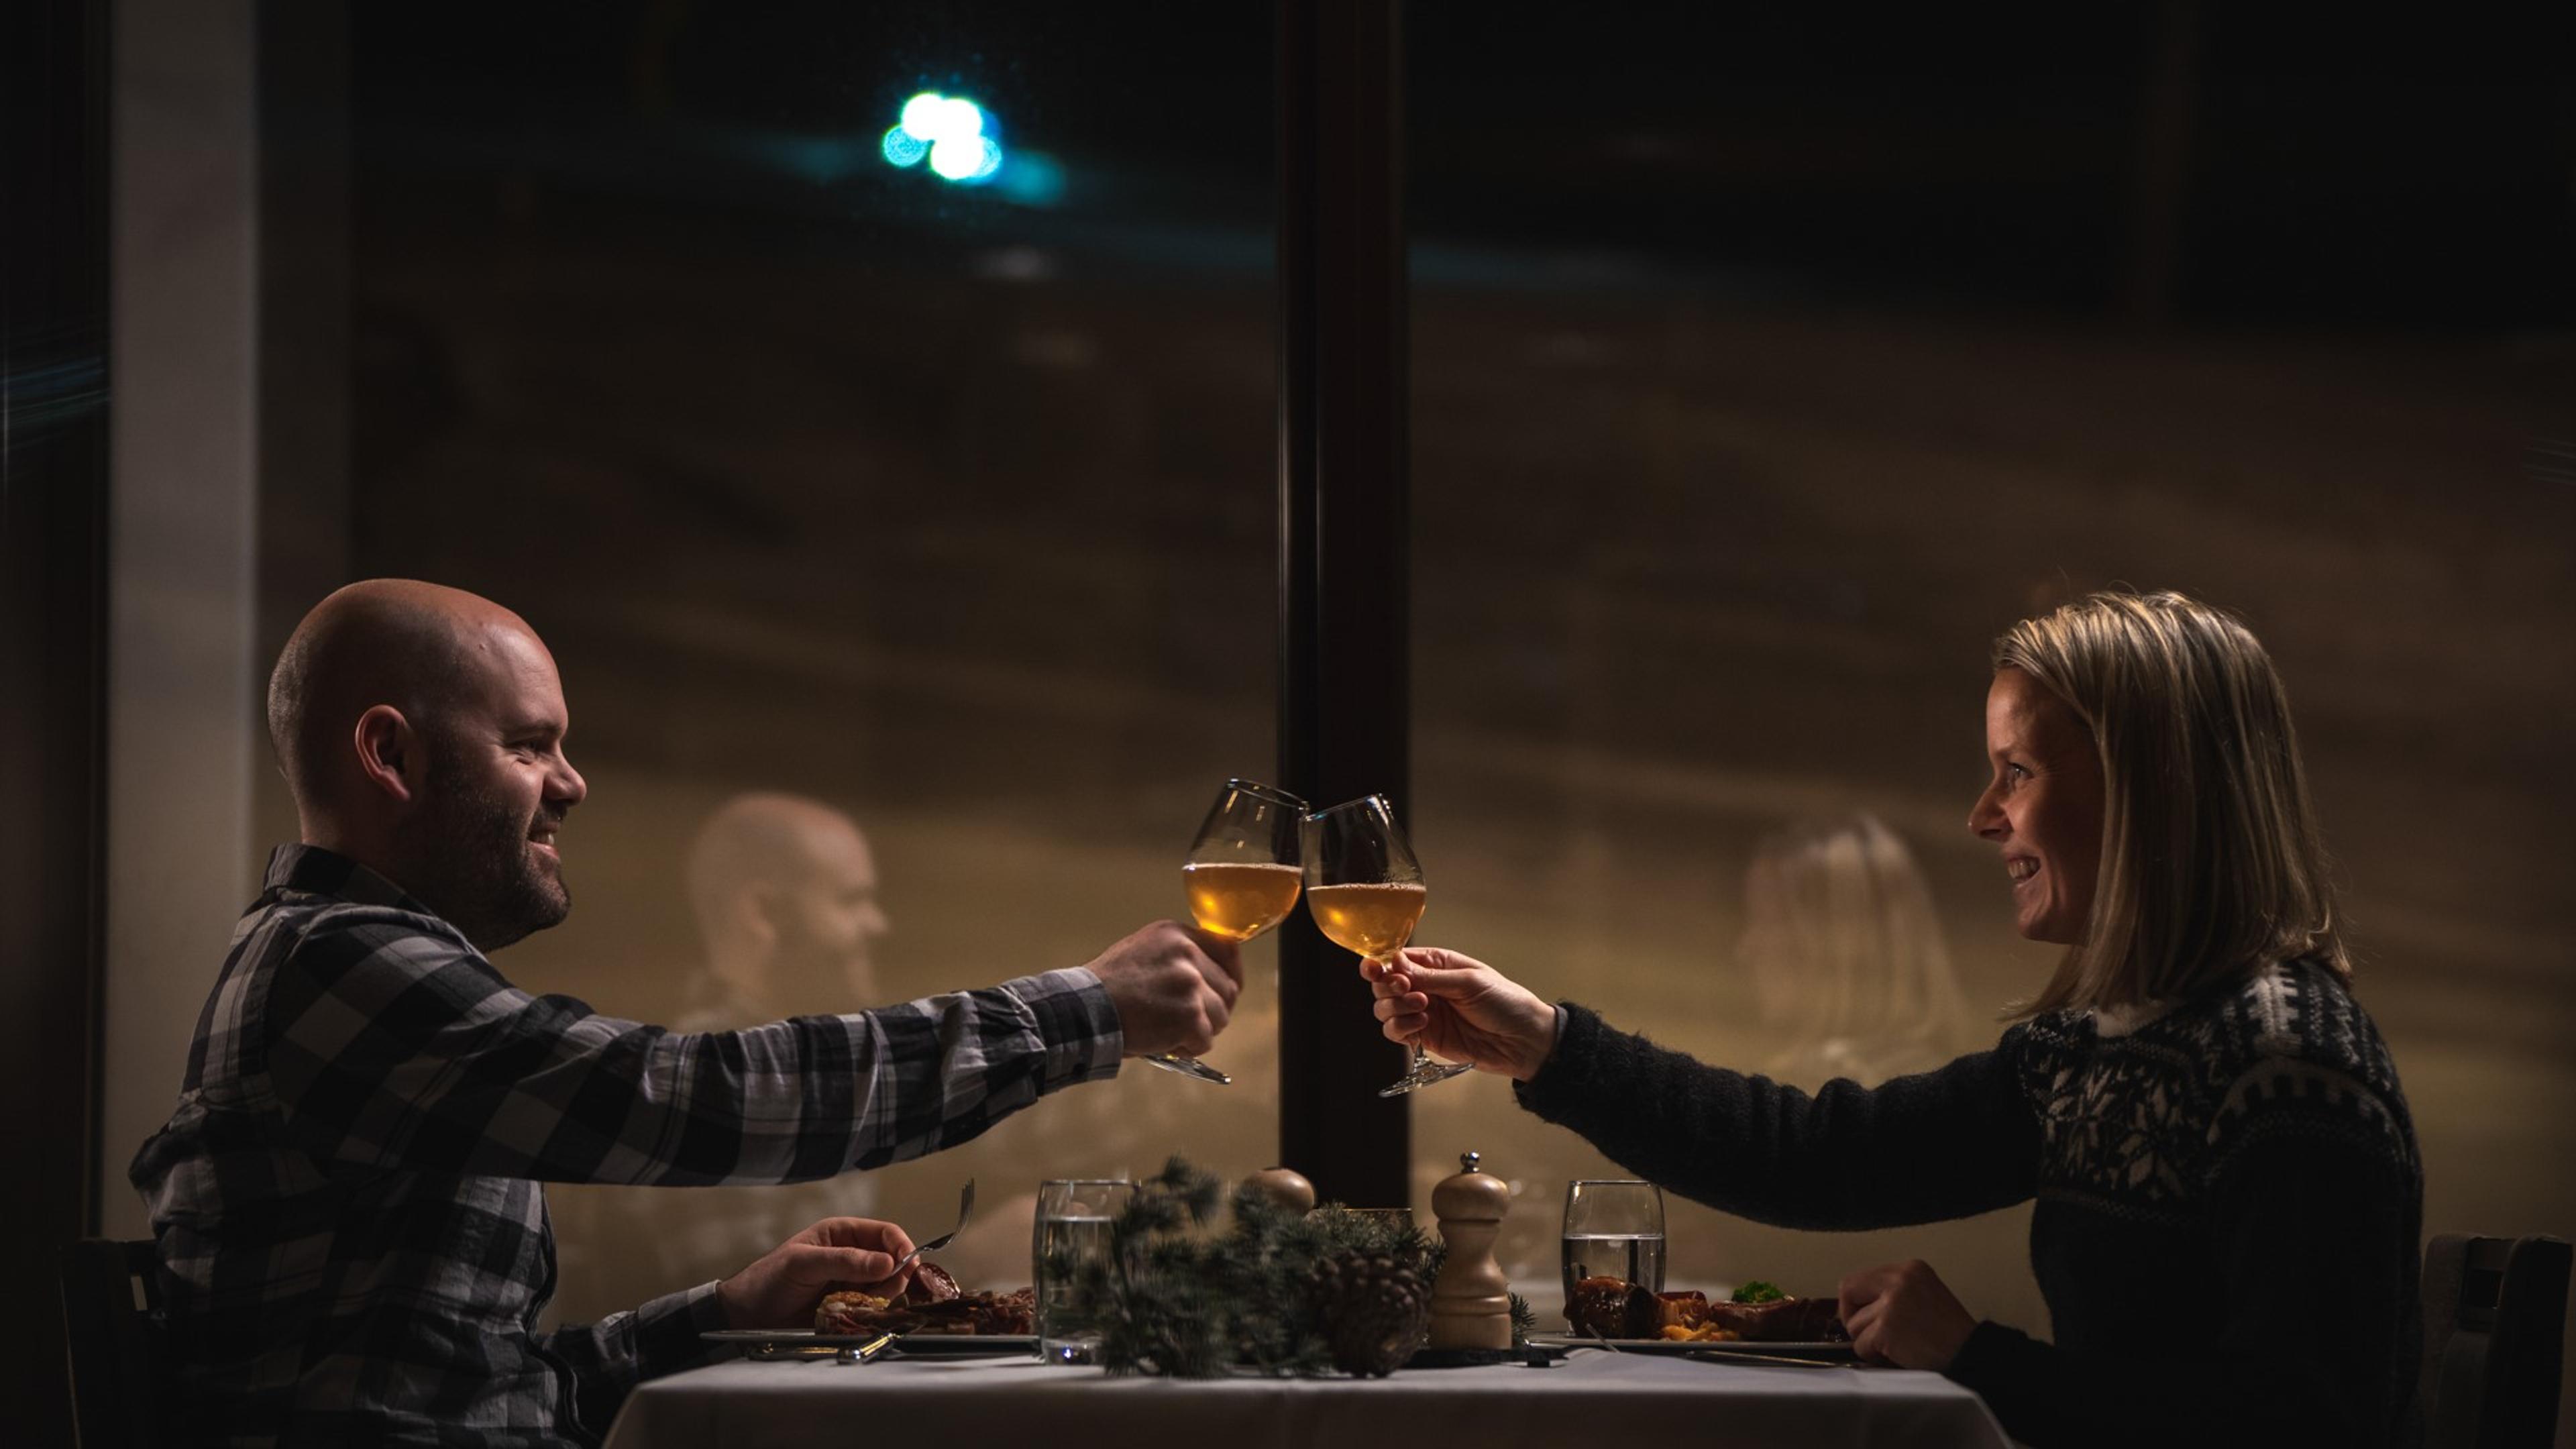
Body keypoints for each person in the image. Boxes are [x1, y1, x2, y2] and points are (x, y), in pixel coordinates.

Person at [129, 580, 1244, 1447]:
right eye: (528, 746)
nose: (572, 785)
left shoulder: (373, 974)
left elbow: (502, 1390)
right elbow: (691, 1102)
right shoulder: (342, 966)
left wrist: (728, 1308)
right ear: (390, 756)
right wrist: (1077, 1013)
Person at [1369, 590, 2422, 1448]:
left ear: (2151, 790)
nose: (1982, 815)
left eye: (2017, 770)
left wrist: (1977, 1357)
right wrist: (1547, 1044)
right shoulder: (2100, 1049)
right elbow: (1818, 1156)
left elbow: (2303, 1424)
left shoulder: (2288, 1067)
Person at [556, 792, 896, 1318]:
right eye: (852, 901)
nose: (879, 925)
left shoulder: (797, 1067)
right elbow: (750, 1295)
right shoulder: (706, 1079)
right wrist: (961, 1255)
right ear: (764, 912)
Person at [1738, 812, 1972, 1089]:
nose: (1745, 949)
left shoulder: (1808, 1092)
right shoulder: (1963, 1089)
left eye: (1767, 920)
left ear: (1837, 940)